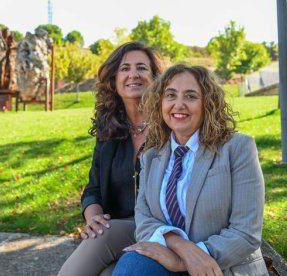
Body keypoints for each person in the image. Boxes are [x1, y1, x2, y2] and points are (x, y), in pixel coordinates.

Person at [113, 64, 268, 276]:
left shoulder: (237, 148)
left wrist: (188, 260)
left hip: (221, 267)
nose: (179, 104)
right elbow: (144, 219)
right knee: (133, 265)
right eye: (170, 95)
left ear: (208, 104)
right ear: (160, 103)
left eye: (191, 96)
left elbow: (246, 232)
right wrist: (178, 244)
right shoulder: (151, 156)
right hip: (166, 260)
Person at [58, 42, 163, 276]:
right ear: (115, 80)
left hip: (160, 229)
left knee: (103, 239)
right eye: (125, 68)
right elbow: (93, 189)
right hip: (115, 229)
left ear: (156, 79)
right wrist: (93, 218)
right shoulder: (109, 133)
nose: (133, 74)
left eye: (141, 68)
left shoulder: (170, 128)